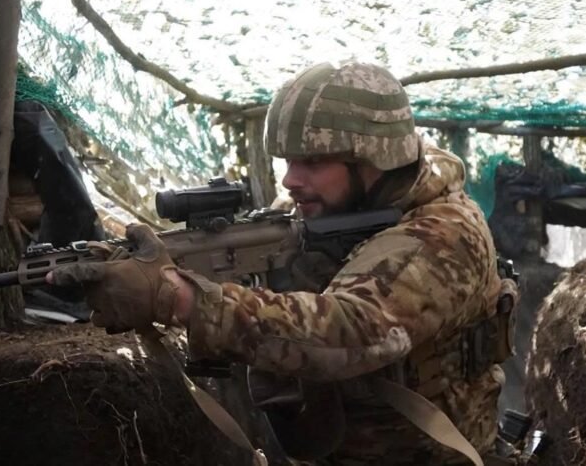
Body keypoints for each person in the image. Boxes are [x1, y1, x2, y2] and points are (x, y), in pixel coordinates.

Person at [48, 62, 518, 465]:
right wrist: (132, 264)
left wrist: (182, 299)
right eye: (289, 161)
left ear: (372, 160)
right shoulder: (325, 209)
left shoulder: (444, 233)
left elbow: (353, 331)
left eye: (312, 162)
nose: (291, 180)